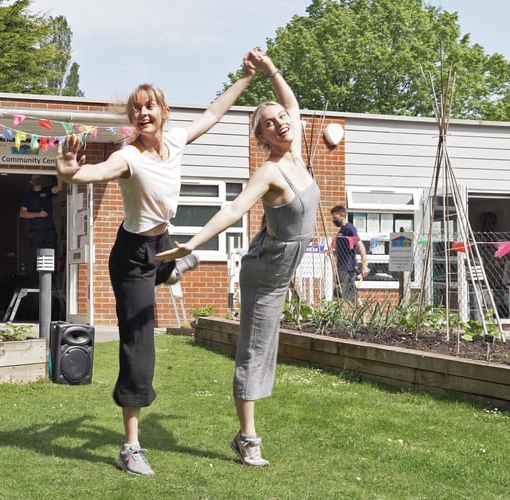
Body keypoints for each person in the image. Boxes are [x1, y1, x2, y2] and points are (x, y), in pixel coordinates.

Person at [55, 51, 258, 476]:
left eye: (150, 106)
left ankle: (171, 268)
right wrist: (72, 172)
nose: (143, 112)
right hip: (131, 256)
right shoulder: (130, 156)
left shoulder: (178, 140)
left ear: (163, 112)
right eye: (137, 108)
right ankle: (130, 447)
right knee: (139, 347)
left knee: (167, 255)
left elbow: (215, 113)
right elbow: (100, 172)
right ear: (133, 118)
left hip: (161, 240)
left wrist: (246, 78)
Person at [157, 48, 320, 468]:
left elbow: (293, 104)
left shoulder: (299, 156)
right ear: (262, 138)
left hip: (283, 266)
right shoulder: (270, 172)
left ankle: (182, 268)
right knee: (255, 349)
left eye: (280, 118)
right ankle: (247, 438)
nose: (281, 122)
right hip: (266, 272)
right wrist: (192, 243)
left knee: (267, 347)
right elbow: (232, 210)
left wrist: (270, 71)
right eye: (269, 123)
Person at [19, 174, 64, 273]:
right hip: (35, 232)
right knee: (37, 257)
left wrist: (59, 176)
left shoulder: (46, 191)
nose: (37, 179)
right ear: (31, 182)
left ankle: (52, 282)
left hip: (49, 230)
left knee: (51, 256)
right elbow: (22, 214)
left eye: (39, 177)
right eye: (35, 178)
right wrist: (38, 214)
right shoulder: (28, 196)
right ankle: (38, 282)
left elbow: (59, 188)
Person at [330, 205, 369, 302]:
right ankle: (361, 315)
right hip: (343, 267)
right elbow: (347, 248)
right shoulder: (342, 230)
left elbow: (360, 246)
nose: (334, 220)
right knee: (351, 296)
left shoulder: (349, 229)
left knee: (339, 296)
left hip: (347, 269)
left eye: (335, 218)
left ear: (342, 216)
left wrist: (364, 265)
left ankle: (359, 315)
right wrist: (333, 252)